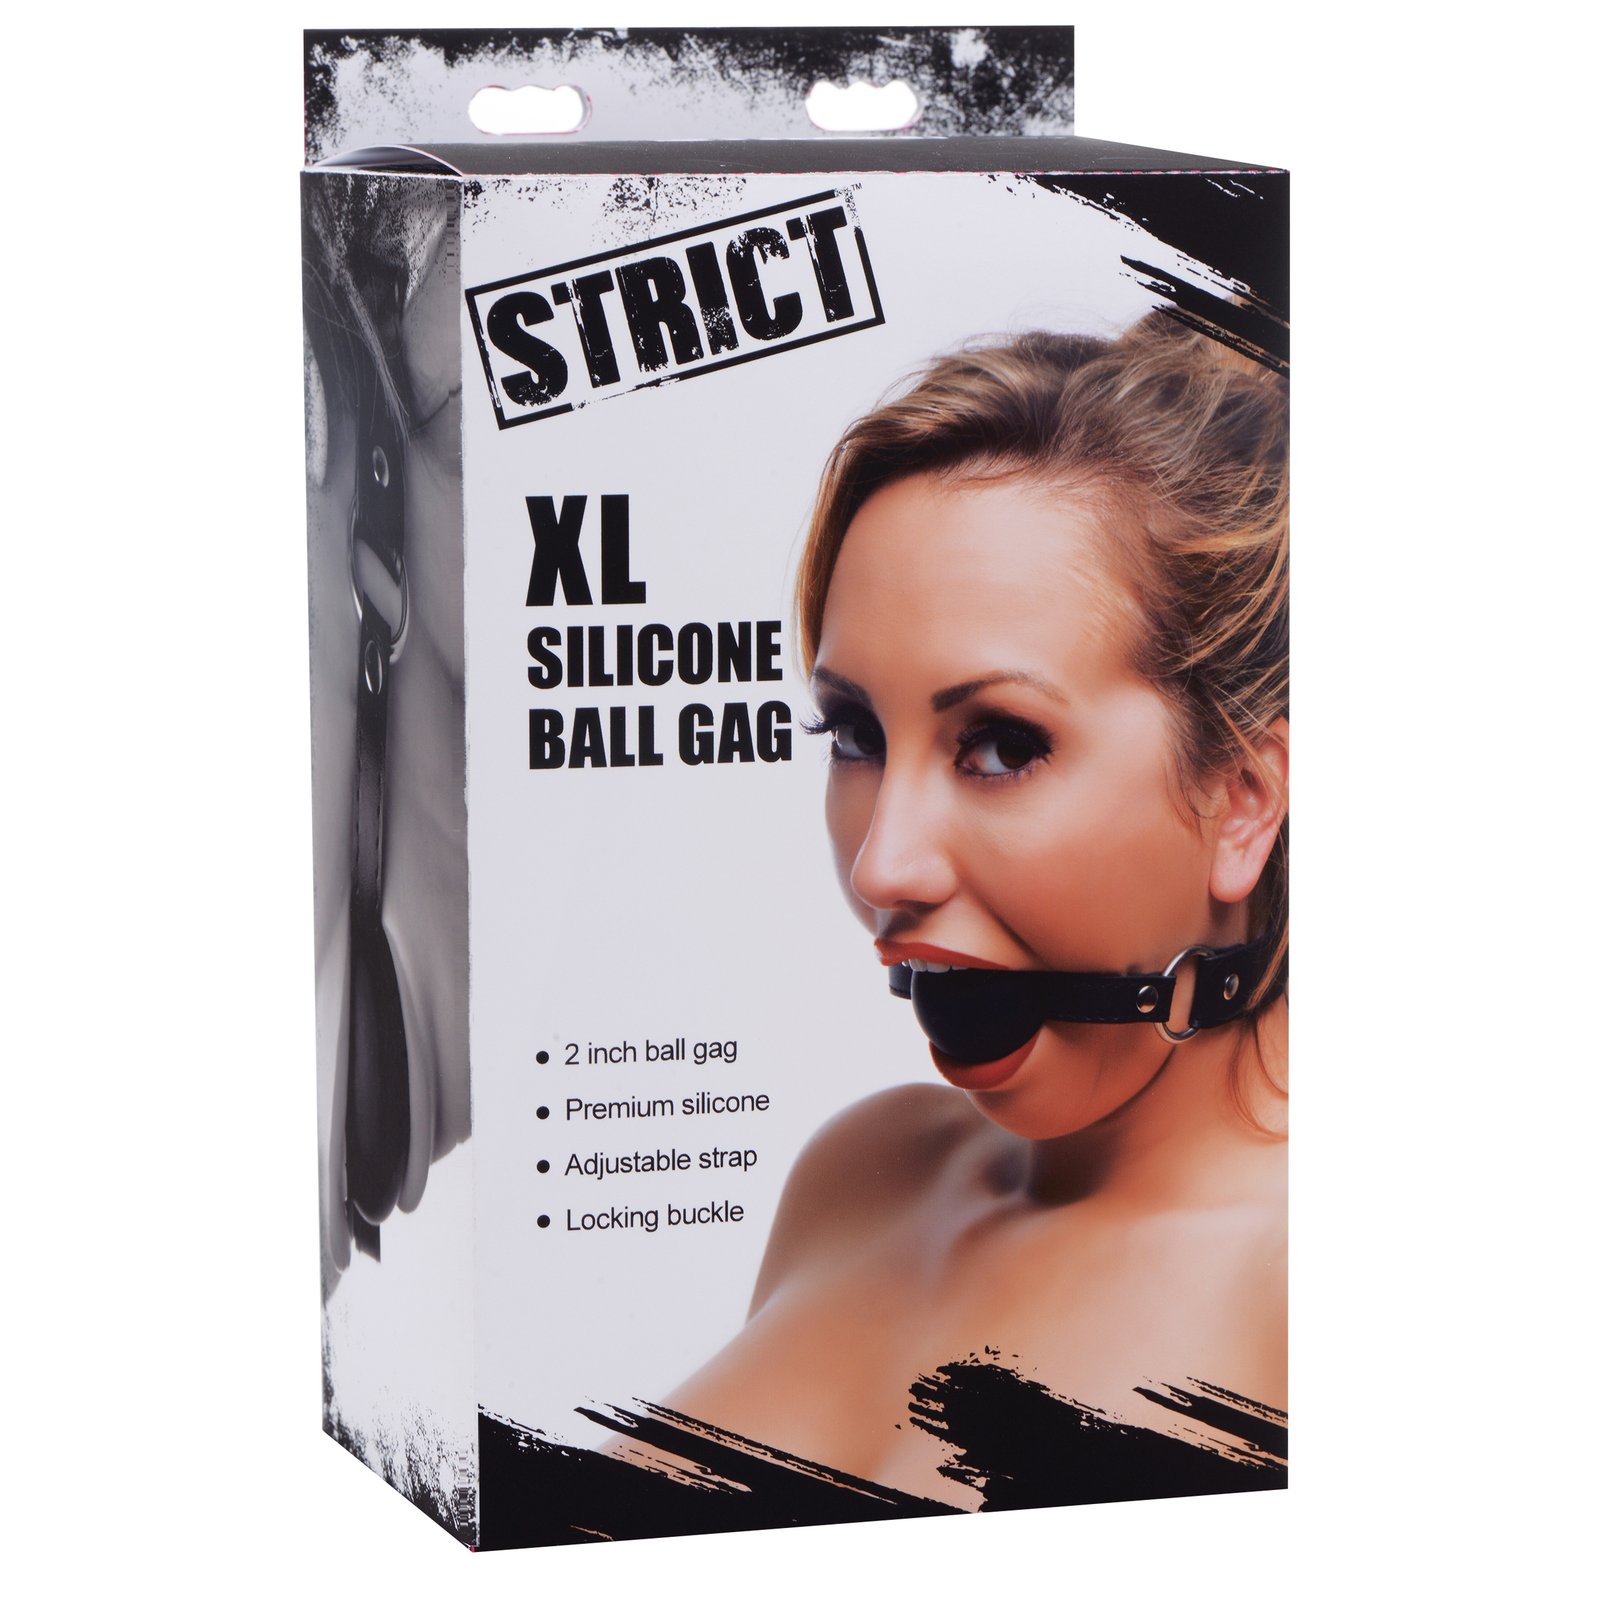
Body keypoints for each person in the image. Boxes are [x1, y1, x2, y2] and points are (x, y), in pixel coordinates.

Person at [665, 315, 1289, 1507]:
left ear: (1241, 800)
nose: (882, 868)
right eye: (855, 734)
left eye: (1000, 745)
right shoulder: (858, 1177)